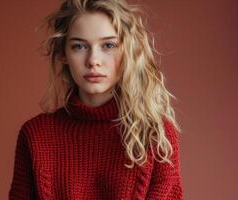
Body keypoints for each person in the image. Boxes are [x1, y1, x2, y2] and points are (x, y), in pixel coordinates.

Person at [9, 0, 183, 199]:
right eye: (79, 46)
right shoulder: (35, 135)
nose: (93, 60)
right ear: (63, 53)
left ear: (129, 51)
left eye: (108, 45)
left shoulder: (157, 135)